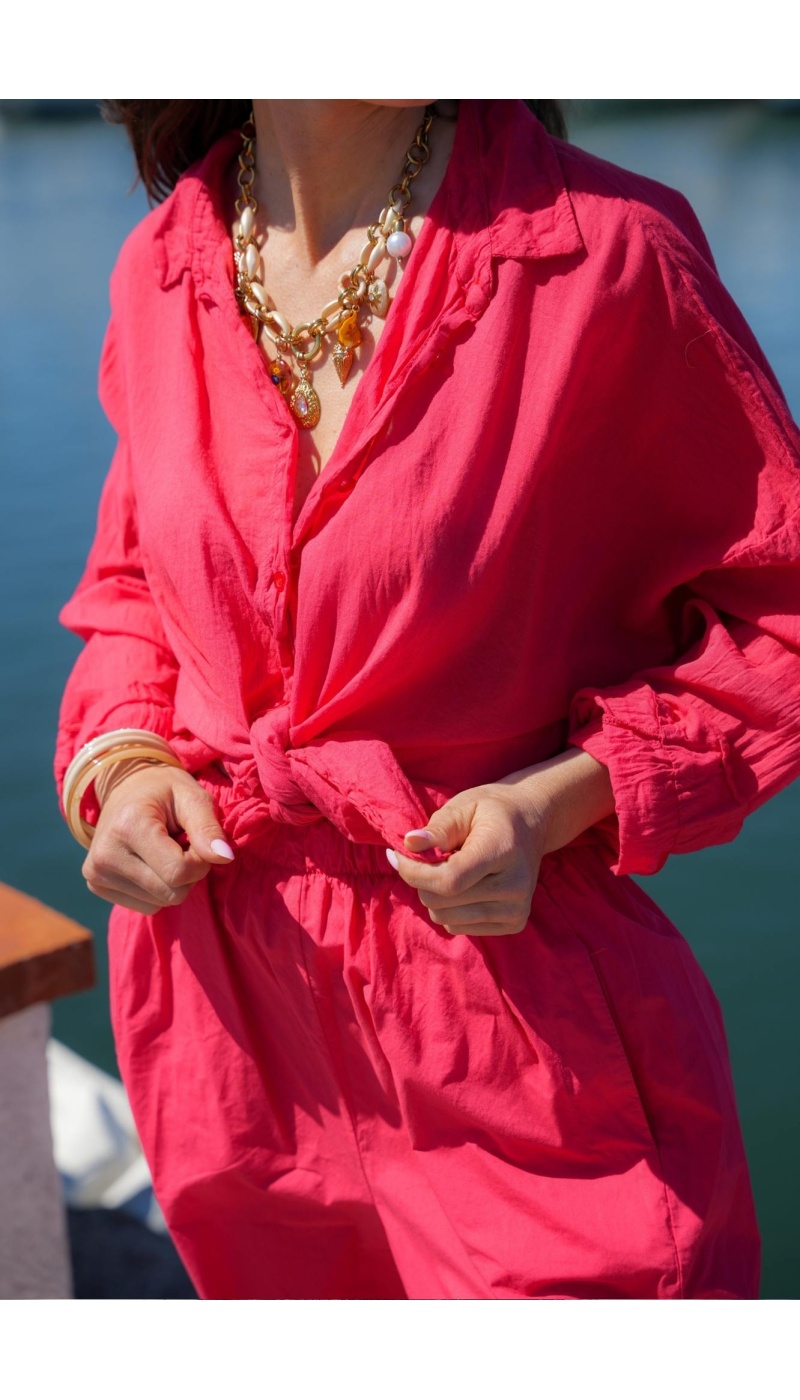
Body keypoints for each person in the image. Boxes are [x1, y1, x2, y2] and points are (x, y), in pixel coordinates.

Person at [55, 99, 800, 1300]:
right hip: (225, 1031)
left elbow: (780, 613)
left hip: (510, 1013)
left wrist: (556, 801)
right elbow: (136, 586)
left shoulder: (606, 249)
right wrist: (127, 765)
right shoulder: (159, 265)